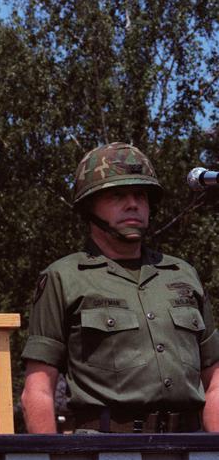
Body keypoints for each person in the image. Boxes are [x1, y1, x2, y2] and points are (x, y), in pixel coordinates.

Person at [21, 142, 219, 433]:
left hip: (187, 452)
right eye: (118, 195)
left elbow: (214, 380)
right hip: (103, 456)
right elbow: (37, 391)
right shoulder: (64, 278)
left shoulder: (183, 275)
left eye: (141, 195)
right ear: (89, 206)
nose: (133, 204)